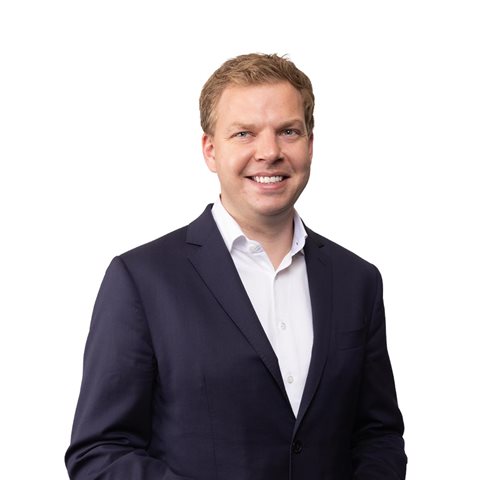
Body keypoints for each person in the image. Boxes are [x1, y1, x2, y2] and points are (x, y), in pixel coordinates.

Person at [65, 53, 407, 479]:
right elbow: (100, 452)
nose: (270, 152)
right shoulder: (141, 279)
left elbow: (378, 436)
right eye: (244, 133)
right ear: (210, 150)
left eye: (288, 131)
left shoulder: (358, 280)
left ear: (310, 144)